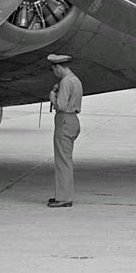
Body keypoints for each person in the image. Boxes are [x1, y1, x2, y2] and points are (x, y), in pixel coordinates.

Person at [47, 53, 82, 208]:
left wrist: (52, 97)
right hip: (73, 120)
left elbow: (61, 105)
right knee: (65, 159)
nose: (54, 73)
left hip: (64, 120)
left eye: (54, 70)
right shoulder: (75, 80)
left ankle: (64, 198)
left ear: (58, 68)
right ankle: (62, 195)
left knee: (63, 161)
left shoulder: (66, 82)